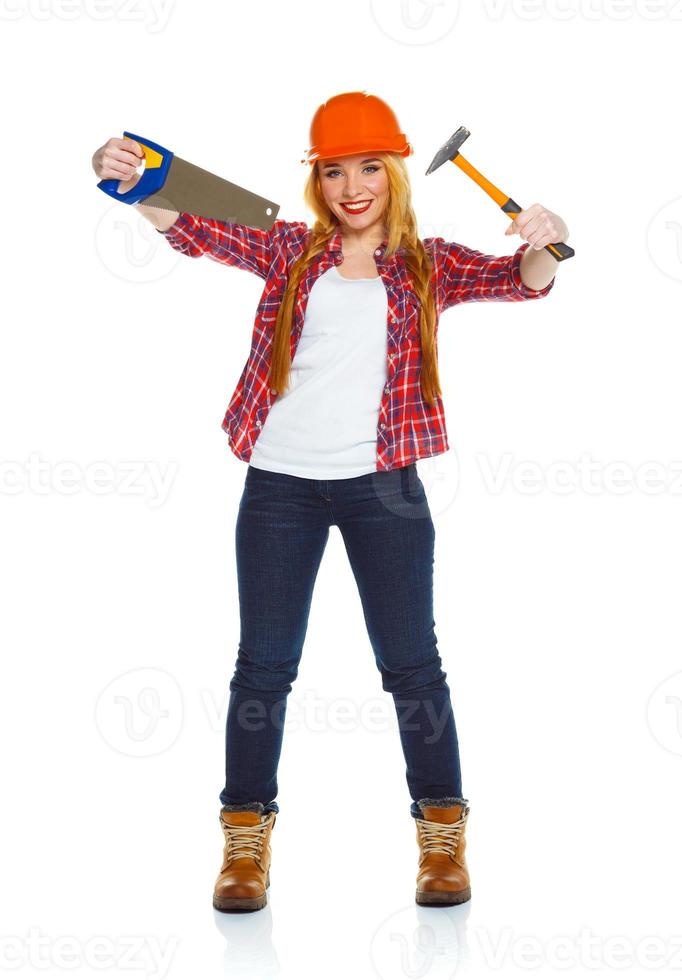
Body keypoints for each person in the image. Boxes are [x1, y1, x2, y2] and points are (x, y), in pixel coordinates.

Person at [91, 90, 566, 913]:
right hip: (279, 484)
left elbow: (520, 282)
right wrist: (133, 182)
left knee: (412, 664)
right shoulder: (288, 251)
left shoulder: (427, 262)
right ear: (319, 180)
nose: (354, 186)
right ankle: (245, 841)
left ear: (394, 173)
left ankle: (442, 836)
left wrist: (546, 243)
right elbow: (193, 227)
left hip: (386, 487)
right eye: (337, 170)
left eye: (370, 168)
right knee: (263, 669)